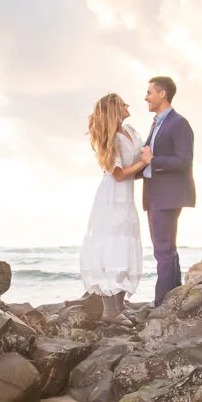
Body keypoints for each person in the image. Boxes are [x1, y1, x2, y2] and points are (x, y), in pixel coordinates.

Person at [78, 92, 144, 317]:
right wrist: (144, 162)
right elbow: (118, 174)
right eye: (124, 104)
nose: (128, 106)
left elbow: (140, 162)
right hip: (112, 195)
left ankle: (120, 304)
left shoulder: (132, 131)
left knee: (125, 245)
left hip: (126, 195)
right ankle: (109, 311)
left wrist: (145, 164)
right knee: (111, 246)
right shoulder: (112, 138)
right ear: (116, 110)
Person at [139, 76, 194, 305]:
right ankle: (173, 299)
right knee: (166, 250)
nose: (146, 97)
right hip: (155, 196)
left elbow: (184, 161)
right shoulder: (157, 123)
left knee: (163, 250)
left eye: (150, 92)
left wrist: (153, 160)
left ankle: (161, 304)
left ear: (162, 94)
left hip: (168, 197)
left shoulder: (178, 123)